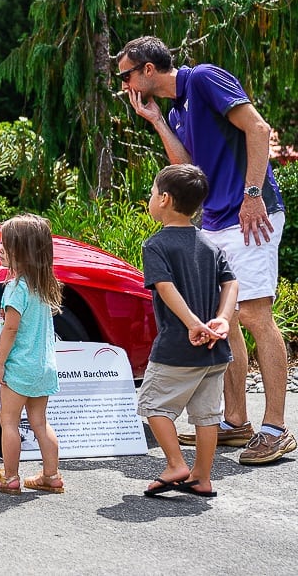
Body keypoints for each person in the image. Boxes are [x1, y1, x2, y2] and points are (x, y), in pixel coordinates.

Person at [119, 35, 294, 465]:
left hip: (252, 214)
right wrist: (158, 121)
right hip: (216, 221)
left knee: (254, 314)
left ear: (146, 70)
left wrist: (253, 193)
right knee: (225, 319)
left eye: (125, 75)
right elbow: (187, 169)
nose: (123, 84)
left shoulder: (202, 79)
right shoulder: (177, 109)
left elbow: (259, 128)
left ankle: (276, 428)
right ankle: (237, 422)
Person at [139, 165, 238, 497]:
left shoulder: (155, 245)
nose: (150, 198)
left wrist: (192, 324)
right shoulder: (209, 243)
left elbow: (165, 288)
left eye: (152, 193)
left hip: (178, 346)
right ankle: (201, 477)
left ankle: (175, 464)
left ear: (165, 199)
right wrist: (222, 319)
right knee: (207, 414)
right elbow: (231, 282)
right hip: (216, 349)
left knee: (153, 404)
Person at [0, 214, 65, 495]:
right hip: (43, 367)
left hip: (19, 367)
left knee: (8, 421)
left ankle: (9, 477)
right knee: (40, 422)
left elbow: (10, 329)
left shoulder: (15, 289)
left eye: (4, 245)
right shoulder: (42, 286)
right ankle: (51, 475)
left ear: (21, 251)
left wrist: (0, 362)